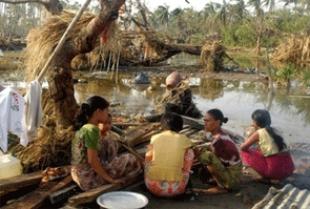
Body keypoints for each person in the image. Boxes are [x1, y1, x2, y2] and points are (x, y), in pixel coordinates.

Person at [71, 96, 127, 191]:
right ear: (98, 111)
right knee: (130, 159)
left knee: (108, 145)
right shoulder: (92, 129)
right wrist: (110, 180)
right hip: (88, 179)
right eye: (106, 110)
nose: (107, 113)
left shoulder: (85, 127)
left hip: (78, 174)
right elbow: (92, 161)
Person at [144, 112, 194, 197]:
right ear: (180, 126)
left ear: (162, 125)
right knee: (189, 152)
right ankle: (184, 179)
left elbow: (147, 159)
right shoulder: (184, 139)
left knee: (149, 154)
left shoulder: (154, 137)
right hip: (177, 189)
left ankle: (152, 179)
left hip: (152, 187)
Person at [195, 109, 242, 194]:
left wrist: (196, 152)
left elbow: (209, 158)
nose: (205, 123)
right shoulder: (221, 135)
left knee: (206, 156)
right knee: (205, 153)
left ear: (217, 122)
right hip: (235, 173)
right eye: (204, 121)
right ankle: (218, 181)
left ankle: (222, 187)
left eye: (207, 121)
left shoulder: (218, 140)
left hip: (232, 179)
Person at [240, 109, 294, 181]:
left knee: (244, 152)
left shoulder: (259, 132)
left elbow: (243, 147)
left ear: (255, 122)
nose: (252, 123)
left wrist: (245, 140)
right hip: (289, 168)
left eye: (253, 121)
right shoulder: (276, 130)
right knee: (261, 151)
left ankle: (266, 176)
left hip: (275, 172)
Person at [98, 114, 142, 180]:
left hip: (110, 162)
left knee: (132, 159)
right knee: (130, 158)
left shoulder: (111, 134)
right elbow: (104, 160)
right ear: (98, 124)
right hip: (105, 167)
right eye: (104, 123)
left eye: (109, 123)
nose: (107, 126)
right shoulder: (99, 138)